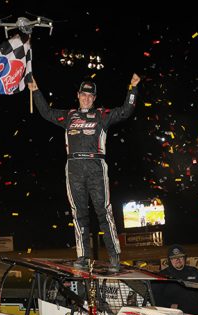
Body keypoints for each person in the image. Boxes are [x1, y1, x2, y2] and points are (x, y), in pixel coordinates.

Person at [28, 73, 141, 272]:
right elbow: (46, 112)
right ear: (78, 95)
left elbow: (126, 111)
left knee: (103, 212)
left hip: (96, 165)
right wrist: (35, 90)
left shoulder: (102, 115)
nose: (86, 98)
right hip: (73, 168)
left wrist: (132, 89)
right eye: (83, 95)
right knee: (79, 214)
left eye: (90, 96)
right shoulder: (68, 116)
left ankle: (114, 256)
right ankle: (82, 256)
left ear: (94, 98)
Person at [152, 244, 198, 315]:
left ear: (184, 258)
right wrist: (169, 306)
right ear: (169, 260)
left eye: (180, 257)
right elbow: (154, 296)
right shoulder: (162, 275)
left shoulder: (194, 272)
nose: (178, 260)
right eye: (174, 258)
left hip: (196, 314)